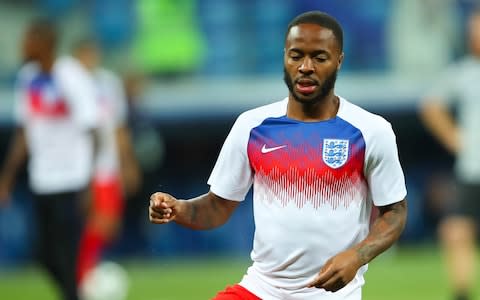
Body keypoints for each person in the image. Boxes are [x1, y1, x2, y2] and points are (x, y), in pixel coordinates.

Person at [149, 11, 408, 300]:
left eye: (319, 57)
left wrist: (358, 256)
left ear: (339, 61)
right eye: (296, 56)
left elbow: (394, 212)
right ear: (284, 57)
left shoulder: (370, 131)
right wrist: (178, 208)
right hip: (261, 290)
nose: (305, 67)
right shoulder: (252, 126)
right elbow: (217, 207)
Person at [0, 19, 99, 300]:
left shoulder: (70, 75)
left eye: (29, 39)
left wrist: (90, 184)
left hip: (71, 179)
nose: (23, 45)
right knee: (42, 253)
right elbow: (23, 132)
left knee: (67, 255)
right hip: (42, 178)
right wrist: (7, 177)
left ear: (45, 43)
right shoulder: (28, 77)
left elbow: (93, 130)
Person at [419, 10, 480, 300]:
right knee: (455, 230)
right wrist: (454, 138)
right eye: (473, 28)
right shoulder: (465, 72)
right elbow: (431, 106)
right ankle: (462, 293)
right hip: (472, 169)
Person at [71, 39, 141, 289]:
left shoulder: (108, 83)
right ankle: (82, 275)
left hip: (107, 164)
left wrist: (128, 163)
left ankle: (85, 272)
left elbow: (119, 127)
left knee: (108, 225)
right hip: (79, 166)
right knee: (98, 221)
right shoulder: (69, 85)